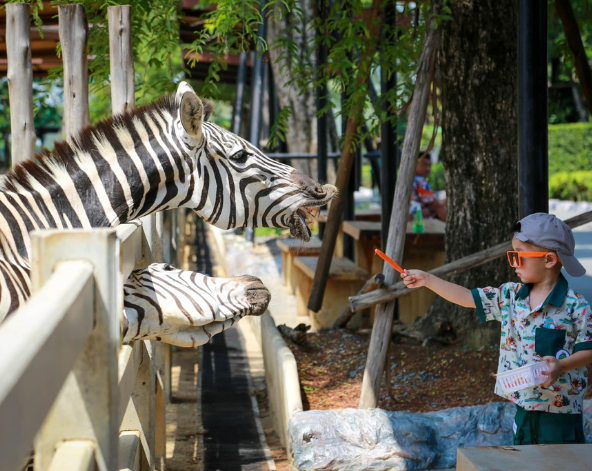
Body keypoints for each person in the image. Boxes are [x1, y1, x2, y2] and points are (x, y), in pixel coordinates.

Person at [401, 213, 592, 445]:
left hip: (562, 414)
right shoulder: (509, 296)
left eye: (518, 256)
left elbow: (588, 349)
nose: (513, 263)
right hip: (523, 407)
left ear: (549, 260)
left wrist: (561, 365)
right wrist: (428, 280)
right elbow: (465, 297)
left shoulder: (575, 305)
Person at [412, 152, 447, 221]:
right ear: (415, 165)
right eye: (424, 165)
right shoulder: (420, 182)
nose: (427, 169)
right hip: (419, 224)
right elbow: (437, 206)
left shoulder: (412, 180)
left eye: (429, 165)